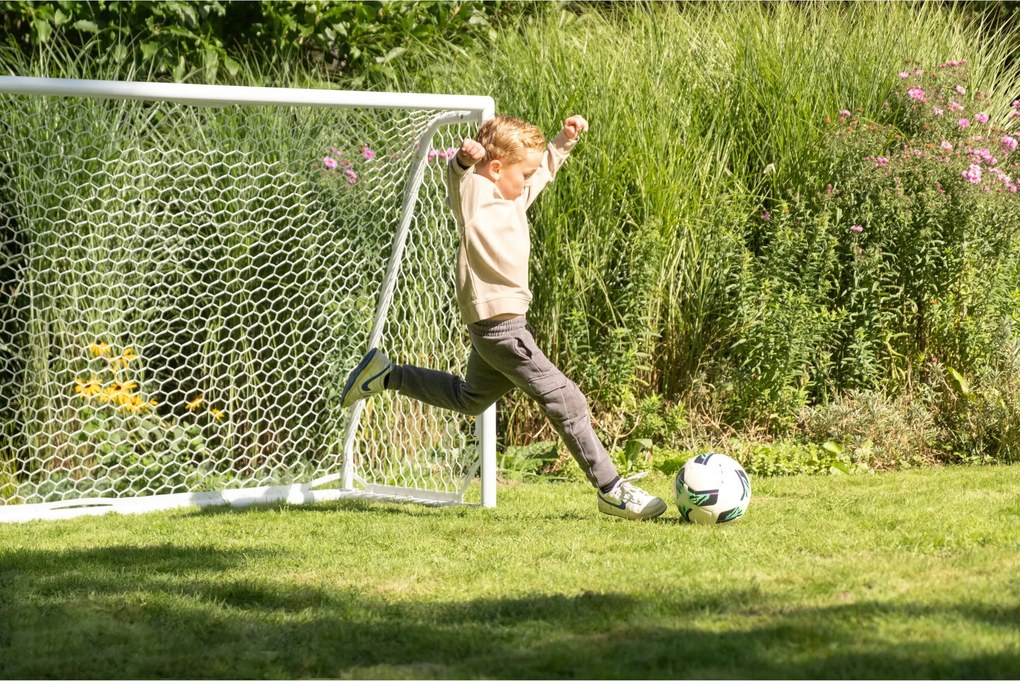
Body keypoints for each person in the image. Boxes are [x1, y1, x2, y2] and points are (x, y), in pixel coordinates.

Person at [340, 113, 666, 520]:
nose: (528, 181)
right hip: (500, 328)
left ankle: (387, 375)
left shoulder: (514, 198)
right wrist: (463, 160)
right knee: (567, 399)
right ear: (496, 169)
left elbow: (542, 171)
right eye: (521, 173)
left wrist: (562, 141)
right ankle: (611, 489)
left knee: (470, 398)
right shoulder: (476, 194)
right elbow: (457, 178)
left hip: (498, 326)